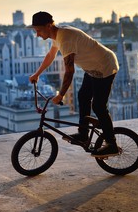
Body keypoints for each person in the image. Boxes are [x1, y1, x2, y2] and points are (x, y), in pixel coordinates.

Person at [28, 11, 120, 158]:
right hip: (92, 68)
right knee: (83, 96)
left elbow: (69, 71)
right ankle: (83, 134)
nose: (37, 34)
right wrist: (37, 74)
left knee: (98, 106)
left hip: (105, 66)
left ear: (48, 26)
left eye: (38, 30)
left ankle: (112, 144)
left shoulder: (65, 39)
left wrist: (61, 94)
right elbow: (51, 55)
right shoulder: (58, 35)